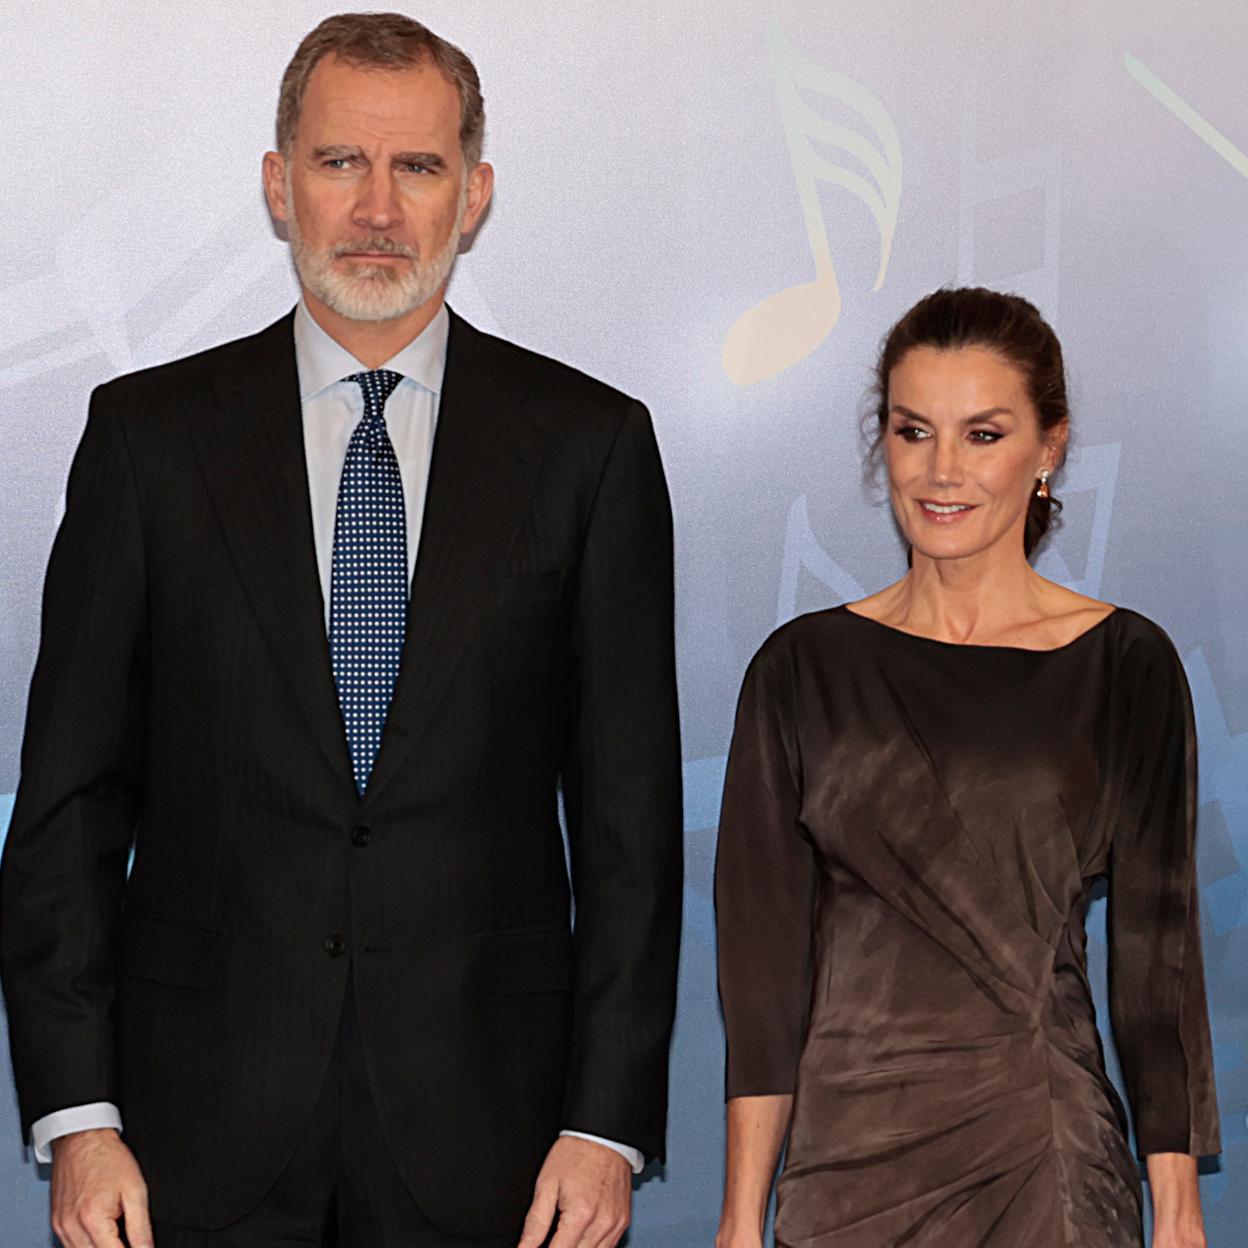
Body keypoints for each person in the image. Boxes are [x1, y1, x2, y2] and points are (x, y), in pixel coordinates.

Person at [0, 13, 682, 1248]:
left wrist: (606, 1122)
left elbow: (631, 827)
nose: (377, 208)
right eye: (338, 163)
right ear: (279, 185)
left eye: (416, 167)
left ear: (473, 196)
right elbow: (67, 807)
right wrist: (79, 1113)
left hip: (499, 1138)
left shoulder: (591, 449)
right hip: (186, 1136)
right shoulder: (149, 442)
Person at [714, 287, 1219, 1248]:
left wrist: (1181, 1216)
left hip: (1043, 1156)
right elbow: (763, 976)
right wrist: (742, 1218)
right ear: (884, 443)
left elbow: (1158, 959)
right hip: (847, 1171)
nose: (943, 471)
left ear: (1050, 447)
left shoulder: (1124, 665)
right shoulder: (801, 671)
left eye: (983, 435)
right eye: (914, 432)